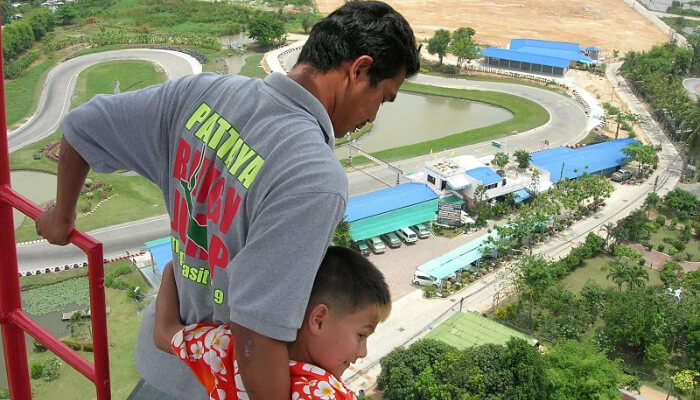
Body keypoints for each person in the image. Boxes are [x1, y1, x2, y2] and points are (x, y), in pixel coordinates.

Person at [35, 1, 419, 398]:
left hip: (164, 362)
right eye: (384, 98)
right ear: (358, 70)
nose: (373, 118)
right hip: (217, 388)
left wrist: (62, 217)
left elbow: (83, 126)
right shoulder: (314, 177)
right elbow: (256, 333)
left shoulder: (202, 92)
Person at [154, 246, 391, 400]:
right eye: (362, 335)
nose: (363, 352)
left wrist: (172, 267)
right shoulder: (321, 392)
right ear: (318, 319)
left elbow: (164, 334)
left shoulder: (227, 347)